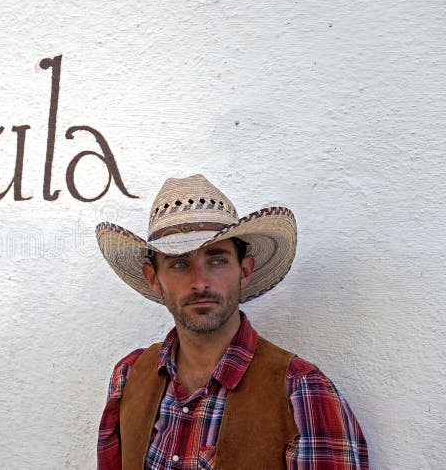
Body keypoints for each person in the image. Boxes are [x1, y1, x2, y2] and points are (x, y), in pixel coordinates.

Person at [95, 174, 368, 469]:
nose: (200, 282)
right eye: (179, 263)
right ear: (154, 279)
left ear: (245, 270)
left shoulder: (301, 391)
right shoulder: (130, 376)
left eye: (217, 260)